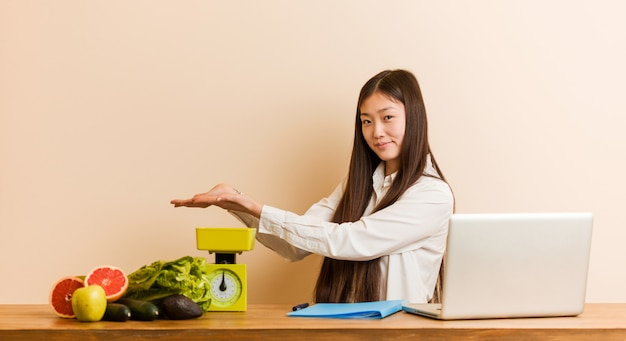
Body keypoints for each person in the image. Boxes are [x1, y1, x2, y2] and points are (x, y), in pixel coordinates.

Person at [171, 69, 454, 304]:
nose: (376, 132)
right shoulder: (356, 185)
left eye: (387, 117)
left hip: (400, 333)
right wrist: (237, 204)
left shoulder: (432, 195)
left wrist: (256, 207)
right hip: (343, 329)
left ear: (414, 117)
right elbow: (293, 246)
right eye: (366, 121)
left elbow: (352, 241)